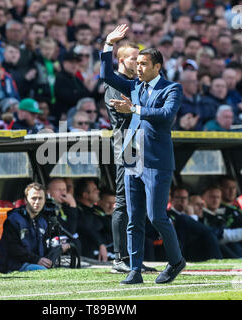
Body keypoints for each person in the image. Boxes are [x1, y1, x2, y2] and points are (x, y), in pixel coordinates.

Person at [100, 24, 185, 285]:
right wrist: (108, 45)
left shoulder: (171, 89)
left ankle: (176, 261)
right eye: (136, 63)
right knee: (133, 218)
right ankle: (134, 270)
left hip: (156, 161)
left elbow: (166, 116)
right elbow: (106, 76)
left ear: (157, 67)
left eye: (143, 64)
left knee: (155, 216)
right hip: (131, 158)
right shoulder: (135, 86)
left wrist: (134, 109)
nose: (138, 68)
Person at [101, 41, 138, 273]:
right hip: (126, 149)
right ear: (122, 60)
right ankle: (119, 258)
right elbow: (122, 117)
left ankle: (134, 257)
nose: (139, 63)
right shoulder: (115, 84)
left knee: (138, 205)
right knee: (123, 204)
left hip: (140, 147)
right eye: (135, 59)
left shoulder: (136, 83)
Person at [0, 183, 71, 273]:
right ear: (26, 200)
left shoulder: (43, 221)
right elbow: (13, 248)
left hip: (34, 263)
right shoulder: (14, 220)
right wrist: (37, 260)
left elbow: (44, 247)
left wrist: (58, 248)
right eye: (33, 198)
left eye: (40, 198)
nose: (37, 202)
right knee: (43, 271)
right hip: (14, 266)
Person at [167, 186, 223, 262]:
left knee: (212, 237)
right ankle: (218, 233)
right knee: (210, 235)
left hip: (194, 247)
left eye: (185, 198)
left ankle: (235, 258)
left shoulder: (198, 215)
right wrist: (191, 216)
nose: (183, 201)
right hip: (180, 247)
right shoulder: (168, 214)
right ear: (172, 199)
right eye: (180, 198)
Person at [75, 178, 113, 262]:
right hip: (91, 249)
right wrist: (101, 244)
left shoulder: (97, 209)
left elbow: (109, 226)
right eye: (94, 190)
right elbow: (87, 228)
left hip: (107, 245)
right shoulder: (77, 210)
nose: (98, 191)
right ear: (85, 195)